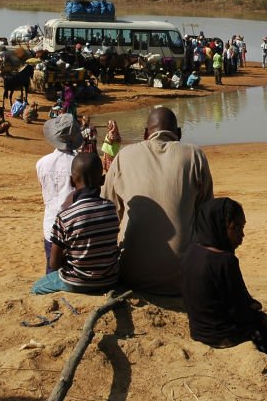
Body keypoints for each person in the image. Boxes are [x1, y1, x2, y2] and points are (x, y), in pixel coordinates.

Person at [102, 107, 214, 296]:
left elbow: (107, 215)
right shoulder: (194, 155)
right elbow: (207, 216)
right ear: (178, 134)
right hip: (183, 277)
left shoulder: (124, 156)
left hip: (131, 275)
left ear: (146, 134)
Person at [181, 197, 267, 368]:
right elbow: (238, 310)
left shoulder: (191, 253)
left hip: (198, 331)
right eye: (235, 228)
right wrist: (259, 317)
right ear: (220, 226)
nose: (241, 235)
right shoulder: (224, 261)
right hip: (220, 335)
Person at [32, 153, 121, 295]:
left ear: (72, 181)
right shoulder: (111, 209)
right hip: (109, 280)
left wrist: (68, 254)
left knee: (36, 288)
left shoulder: (65, 216)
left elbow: (54, 264)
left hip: (76, 282)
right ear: (103, 180)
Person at [37, 114, 82, 273]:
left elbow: (44, 189)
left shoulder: (42, 163)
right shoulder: (80, 163)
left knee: (52, 269)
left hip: (50, 224)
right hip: (76, 228)